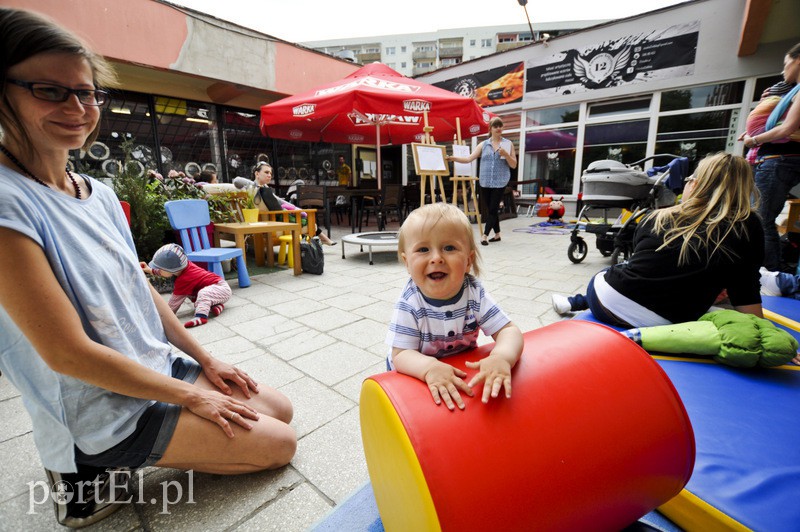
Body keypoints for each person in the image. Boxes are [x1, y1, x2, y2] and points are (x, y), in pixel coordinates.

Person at [0, 9, 295, 528]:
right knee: (280, 444)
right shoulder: (9, 202)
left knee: (280, 409)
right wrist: (191, 399)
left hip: (150, 366)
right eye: (50, 90)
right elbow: (65, 354)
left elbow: (139, 286)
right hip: (97, 400)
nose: (78, 108)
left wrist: (206, 360)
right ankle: (83, 465)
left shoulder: (98, 192)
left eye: (87, 92)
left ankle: (159, 434)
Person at [551, 153, 765, 328]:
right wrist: (760, 328)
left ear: (695, 185)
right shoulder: (748, 224)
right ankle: (574, 302)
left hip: (608, 300)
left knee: (619, 270)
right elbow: (746, 289)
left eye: (687, 180)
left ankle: (575, 302)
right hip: (669, 319)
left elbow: (649, 268)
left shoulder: (660, 216)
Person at [386, 203, 524, 411]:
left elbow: (509, 331)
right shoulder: (410, 302)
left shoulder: (474, 292)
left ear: (468, 261)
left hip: (459, 363)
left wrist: (502, 357)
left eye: (449, 248)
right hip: (416, 367)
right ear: (407, 263)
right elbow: (401, 355)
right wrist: (429, 368)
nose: (436, 258)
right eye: (423, 249)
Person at [740, 43, 800, 271]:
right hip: (774, 159)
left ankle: (770, 272)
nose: (783, 71)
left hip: (778, 161)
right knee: (758, 217)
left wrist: (754, 140)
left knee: (761, 219)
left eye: (786, 64)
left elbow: (787, 129)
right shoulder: (793, 92)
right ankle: (765, 269)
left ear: (798, 60)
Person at [447, 117, 517, 246]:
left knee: (493, 208)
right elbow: (469, 159)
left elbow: (513, 165)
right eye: (495, 126)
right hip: (485, 181)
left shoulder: (508, 144)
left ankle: (484, 235)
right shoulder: (483, 144)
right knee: (491, 209)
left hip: (500, 181)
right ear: (490, 129)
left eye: (500, 126)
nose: (498, 128)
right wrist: (453, 158)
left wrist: (506, 154)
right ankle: (497, 235)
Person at [235, 161, 336, 245]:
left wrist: (295, 208)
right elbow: (236, 180)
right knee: (308, 220)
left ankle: (318, 240)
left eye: (270, 173)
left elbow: (278, 200)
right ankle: (319, 240)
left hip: (273, 217)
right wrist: (255, 183)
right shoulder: (256, 188)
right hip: (273, 219)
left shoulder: (263, 188)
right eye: (266, 172)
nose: (269, 175)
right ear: (257, 174)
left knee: (305, 218)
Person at [140, 244, 231, 328]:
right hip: (216, 291)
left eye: (159, 268)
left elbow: (173, 305)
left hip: (221, 288)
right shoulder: (184, 266)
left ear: (172, 269)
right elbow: (166, 272)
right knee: (201, 298)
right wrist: (149, 270)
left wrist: (162, 317)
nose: (158, 270)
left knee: (203, 294)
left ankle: (201, 317)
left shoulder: (184, 279)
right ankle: (217, 306)